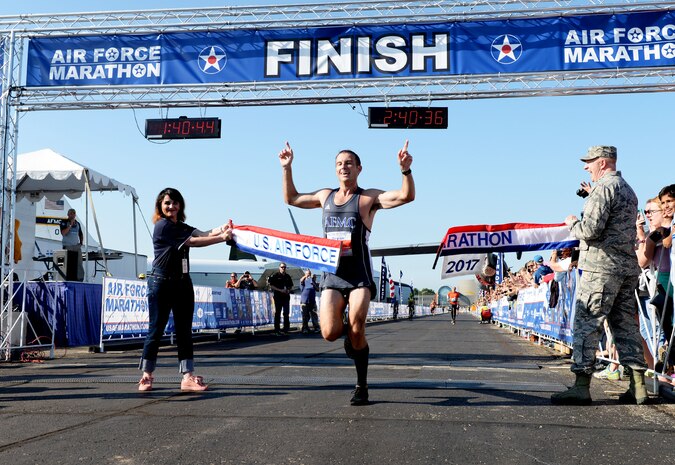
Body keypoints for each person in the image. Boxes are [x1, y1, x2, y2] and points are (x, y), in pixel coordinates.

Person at [279, 140, 414, 405]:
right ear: (335, 169)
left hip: (359, 277)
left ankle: (361, 385)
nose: (344, 167)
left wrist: (405, 171)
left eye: (349, 163)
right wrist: (287, 167)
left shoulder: (367, 198)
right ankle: (351, 339)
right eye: (340, 163)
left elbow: (405, 196)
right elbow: (291, 198)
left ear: (359, 168)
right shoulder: (324, 196)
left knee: (358, 326)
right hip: (332, 276)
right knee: (329, 332)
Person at [551, 146, 647, 406]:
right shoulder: (628, 189)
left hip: (600, 269)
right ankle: (638, 387)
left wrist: (572, 223)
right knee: (626, 326)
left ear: (603, 163)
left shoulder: (604, 188)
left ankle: (581, 387)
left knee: (586, 324)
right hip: (626, 269)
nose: (586, 167)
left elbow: (591, 229)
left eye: (590, 162)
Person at [138, 187, 231, 392]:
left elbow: (203, 233)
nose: (171, 206)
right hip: (161, 283)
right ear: (160, 207)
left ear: (181, 205)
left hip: (182, 283)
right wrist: (221, 238)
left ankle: (187, 377)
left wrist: (221, 228)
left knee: (184, 331)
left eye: (175, 202)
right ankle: (147, 375)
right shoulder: (162, 226)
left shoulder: (180, 225)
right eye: (167, 203)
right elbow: (194, 242)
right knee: (156, 329)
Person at [268, 262, 294, 336]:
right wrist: (280, 290)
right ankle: (277, 330)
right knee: (278, 313)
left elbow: (291, 285)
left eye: (284, 267)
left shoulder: (287, 276)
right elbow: (271, 285)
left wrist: (288, 290)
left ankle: (286, 329)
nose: (283, 268)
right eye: (282, 267)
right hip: (278, 296)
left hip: (286, 297)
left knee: (286, 313)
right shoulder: (276, 276)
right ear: (279, 268)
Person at [59, 208, 84, 281]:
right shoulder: (64, 222)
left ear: (75, 215)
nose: (72, 215)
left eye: (73, 213)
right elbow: (63, 233)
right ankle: (67, 278)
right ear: (68, 214)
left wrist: (81, 243)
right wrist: (70, 225)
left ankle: (80, 278)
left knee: (79, 263)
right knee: (68, 264)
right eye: (70, 213)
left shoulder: (78, 223)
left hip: (76, 246)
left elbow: (80, 234)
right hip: (68, 246)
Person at [299, 269, 320, 334]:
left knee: (314, 314)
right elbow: (301, 280)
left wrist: (313, 282)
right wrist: (306, 276)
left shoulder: (312, 281)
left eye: (309, 274)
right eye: (307, 273)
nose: (309, 275)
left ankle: (316, 327)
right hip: (304, 301)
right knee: (305, 315)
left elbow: (317, 289)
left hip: (312, 301)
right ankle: (305, 328)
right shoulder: (303, 281)